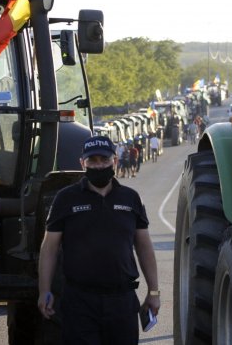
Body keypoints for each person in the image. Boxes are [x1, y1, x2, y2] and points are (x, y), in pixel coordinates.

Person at [37, 135, 160, 345]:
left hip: (122, 301)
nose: (99, 165)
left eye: (104, 160)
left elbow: (144, 247)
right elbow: (49, 248)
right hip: (80, 301)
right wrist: (44, 290)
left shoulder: (131, 199)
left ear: (115, 161)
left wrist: (154, 291)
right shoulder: (65, 198)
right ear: (82, 163)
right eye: (92, 161)